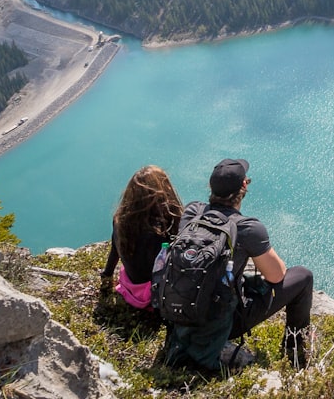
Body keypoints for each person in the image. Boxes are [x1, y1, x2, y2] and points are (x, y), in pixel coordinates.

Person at [163, 158, 315, 373]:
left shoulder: (192, 212)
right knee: (303, 276)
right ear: (244, 186)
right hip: (222, 321)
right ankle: (294, 351)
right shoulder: (247, 227)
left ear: (211, 187)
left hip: (181, 311)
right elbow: (277, 276)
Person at [100, 165, 183, 311]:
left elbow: (115, 249)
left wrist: (107, 275)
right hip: (156, 295)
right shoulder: (166, 226)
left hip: (131, 289)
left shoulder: (120, 220)